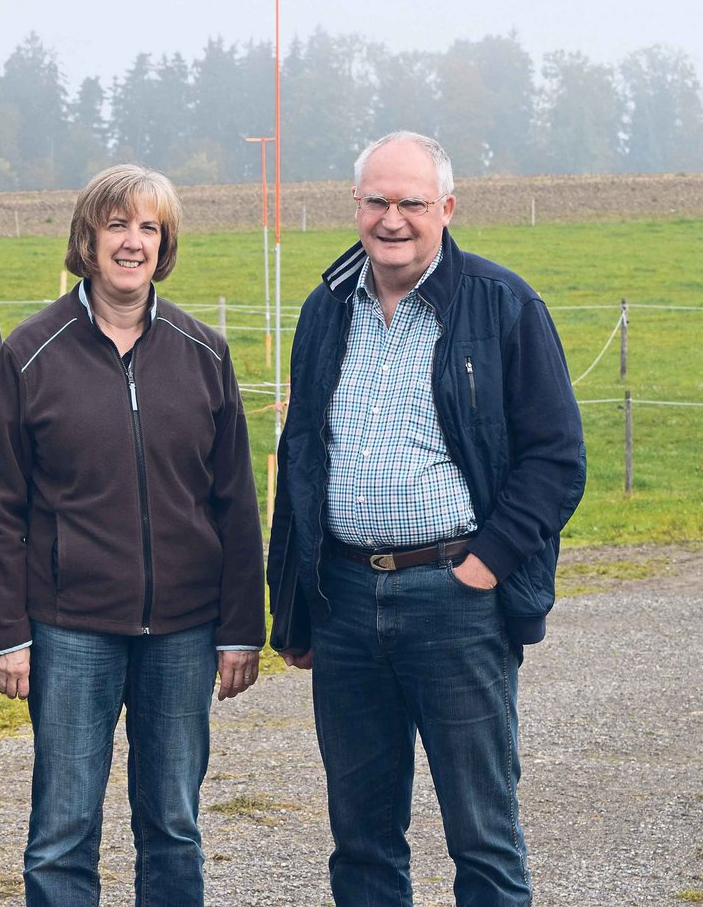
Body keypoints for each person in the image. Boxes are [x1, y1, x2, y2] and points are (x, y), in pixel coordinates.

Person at [267, 131, 586, 906]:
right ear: (355, 205)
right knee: (362, 841)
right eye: (376, 201)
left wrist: (486, 564)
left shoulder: (502, 304)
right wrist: (295, 610)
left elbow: (556, 457)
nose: (392, 218)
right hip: (345, 601)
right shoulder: (325, 308)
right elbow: (301, 456)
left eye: (411, 202)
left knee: (482, 837)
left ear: (447, 207)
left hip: (455, 600)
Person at [0, 164, 265, 906]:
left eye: (149, 228)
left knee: (173, 825)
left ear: (164, 245)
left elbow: (235, 502)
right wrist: (6, 633)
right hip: (70, 629)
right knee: (63, 829)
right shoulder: (30, 353)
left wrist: (241, 629)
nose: (132, 242)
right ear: (88, 238)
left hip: (185, 631)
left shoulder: (205, 353)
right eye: (117, 225)